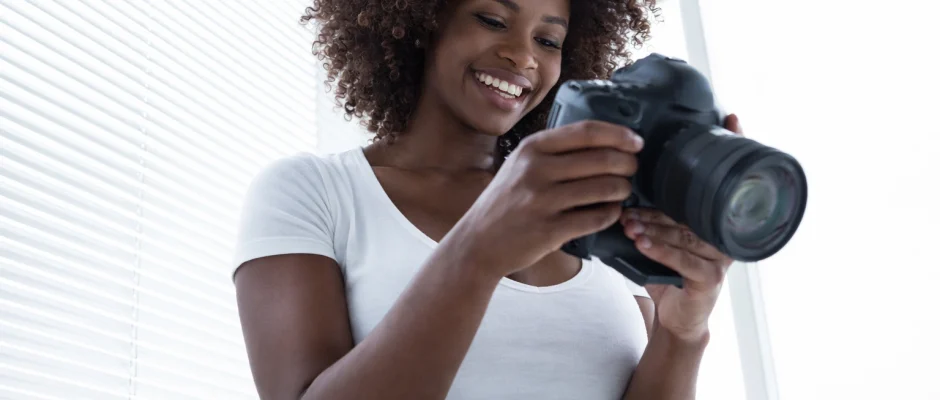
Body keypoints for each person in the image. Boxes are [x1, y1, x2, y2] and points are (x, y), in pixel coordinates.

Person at [232, 0, 745, 399]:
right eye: (493, 19)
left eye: (547, 38)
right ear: (423, 18)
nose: (523, 56)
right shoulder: (314, 193)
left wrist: (682, 333)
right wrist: (478, 251)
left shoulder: (594, 206)